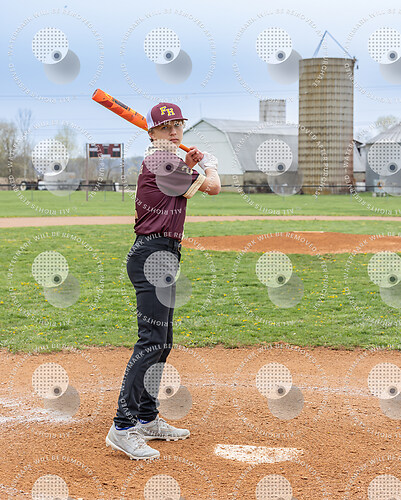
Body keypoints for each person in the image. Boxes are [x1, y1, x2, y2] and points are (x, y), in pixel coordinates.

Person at [106, 102, 221, 460]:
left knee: (162, 342)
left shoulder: (168, 162)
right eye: (166, 127)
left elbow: (177, 184)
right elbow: (214, 187)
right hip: (152, 255)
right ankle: (122, 427)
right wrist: (210, 165)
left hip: (165, 254)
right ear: (152, 132)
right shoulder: (161, 162)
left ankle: (147, 417)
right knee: (151, 342)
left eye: (178, 126)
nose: (174, 132)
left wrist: (189, 163)